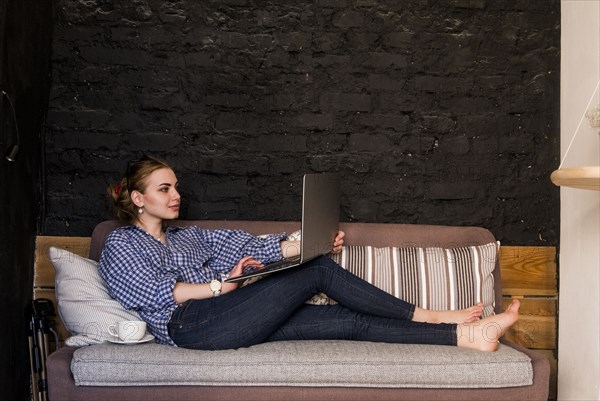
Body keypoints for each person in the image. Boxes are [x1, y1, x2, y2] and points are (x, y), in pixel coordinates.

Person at [98, 155, 520, 352]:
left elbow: (251, 246)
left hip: (228, 314)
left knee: (345, 320)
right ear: (137, 198)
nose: (176, 196)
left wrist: (302, 243)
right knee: (317, 272)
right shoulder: (121, 244)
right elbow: (155, 294)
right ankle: (432, 314)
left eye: (176, 187)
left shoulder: (189, 235)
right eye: (164, 189)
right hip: (190, 327)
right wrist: (219, 285)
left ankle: (466, 337)